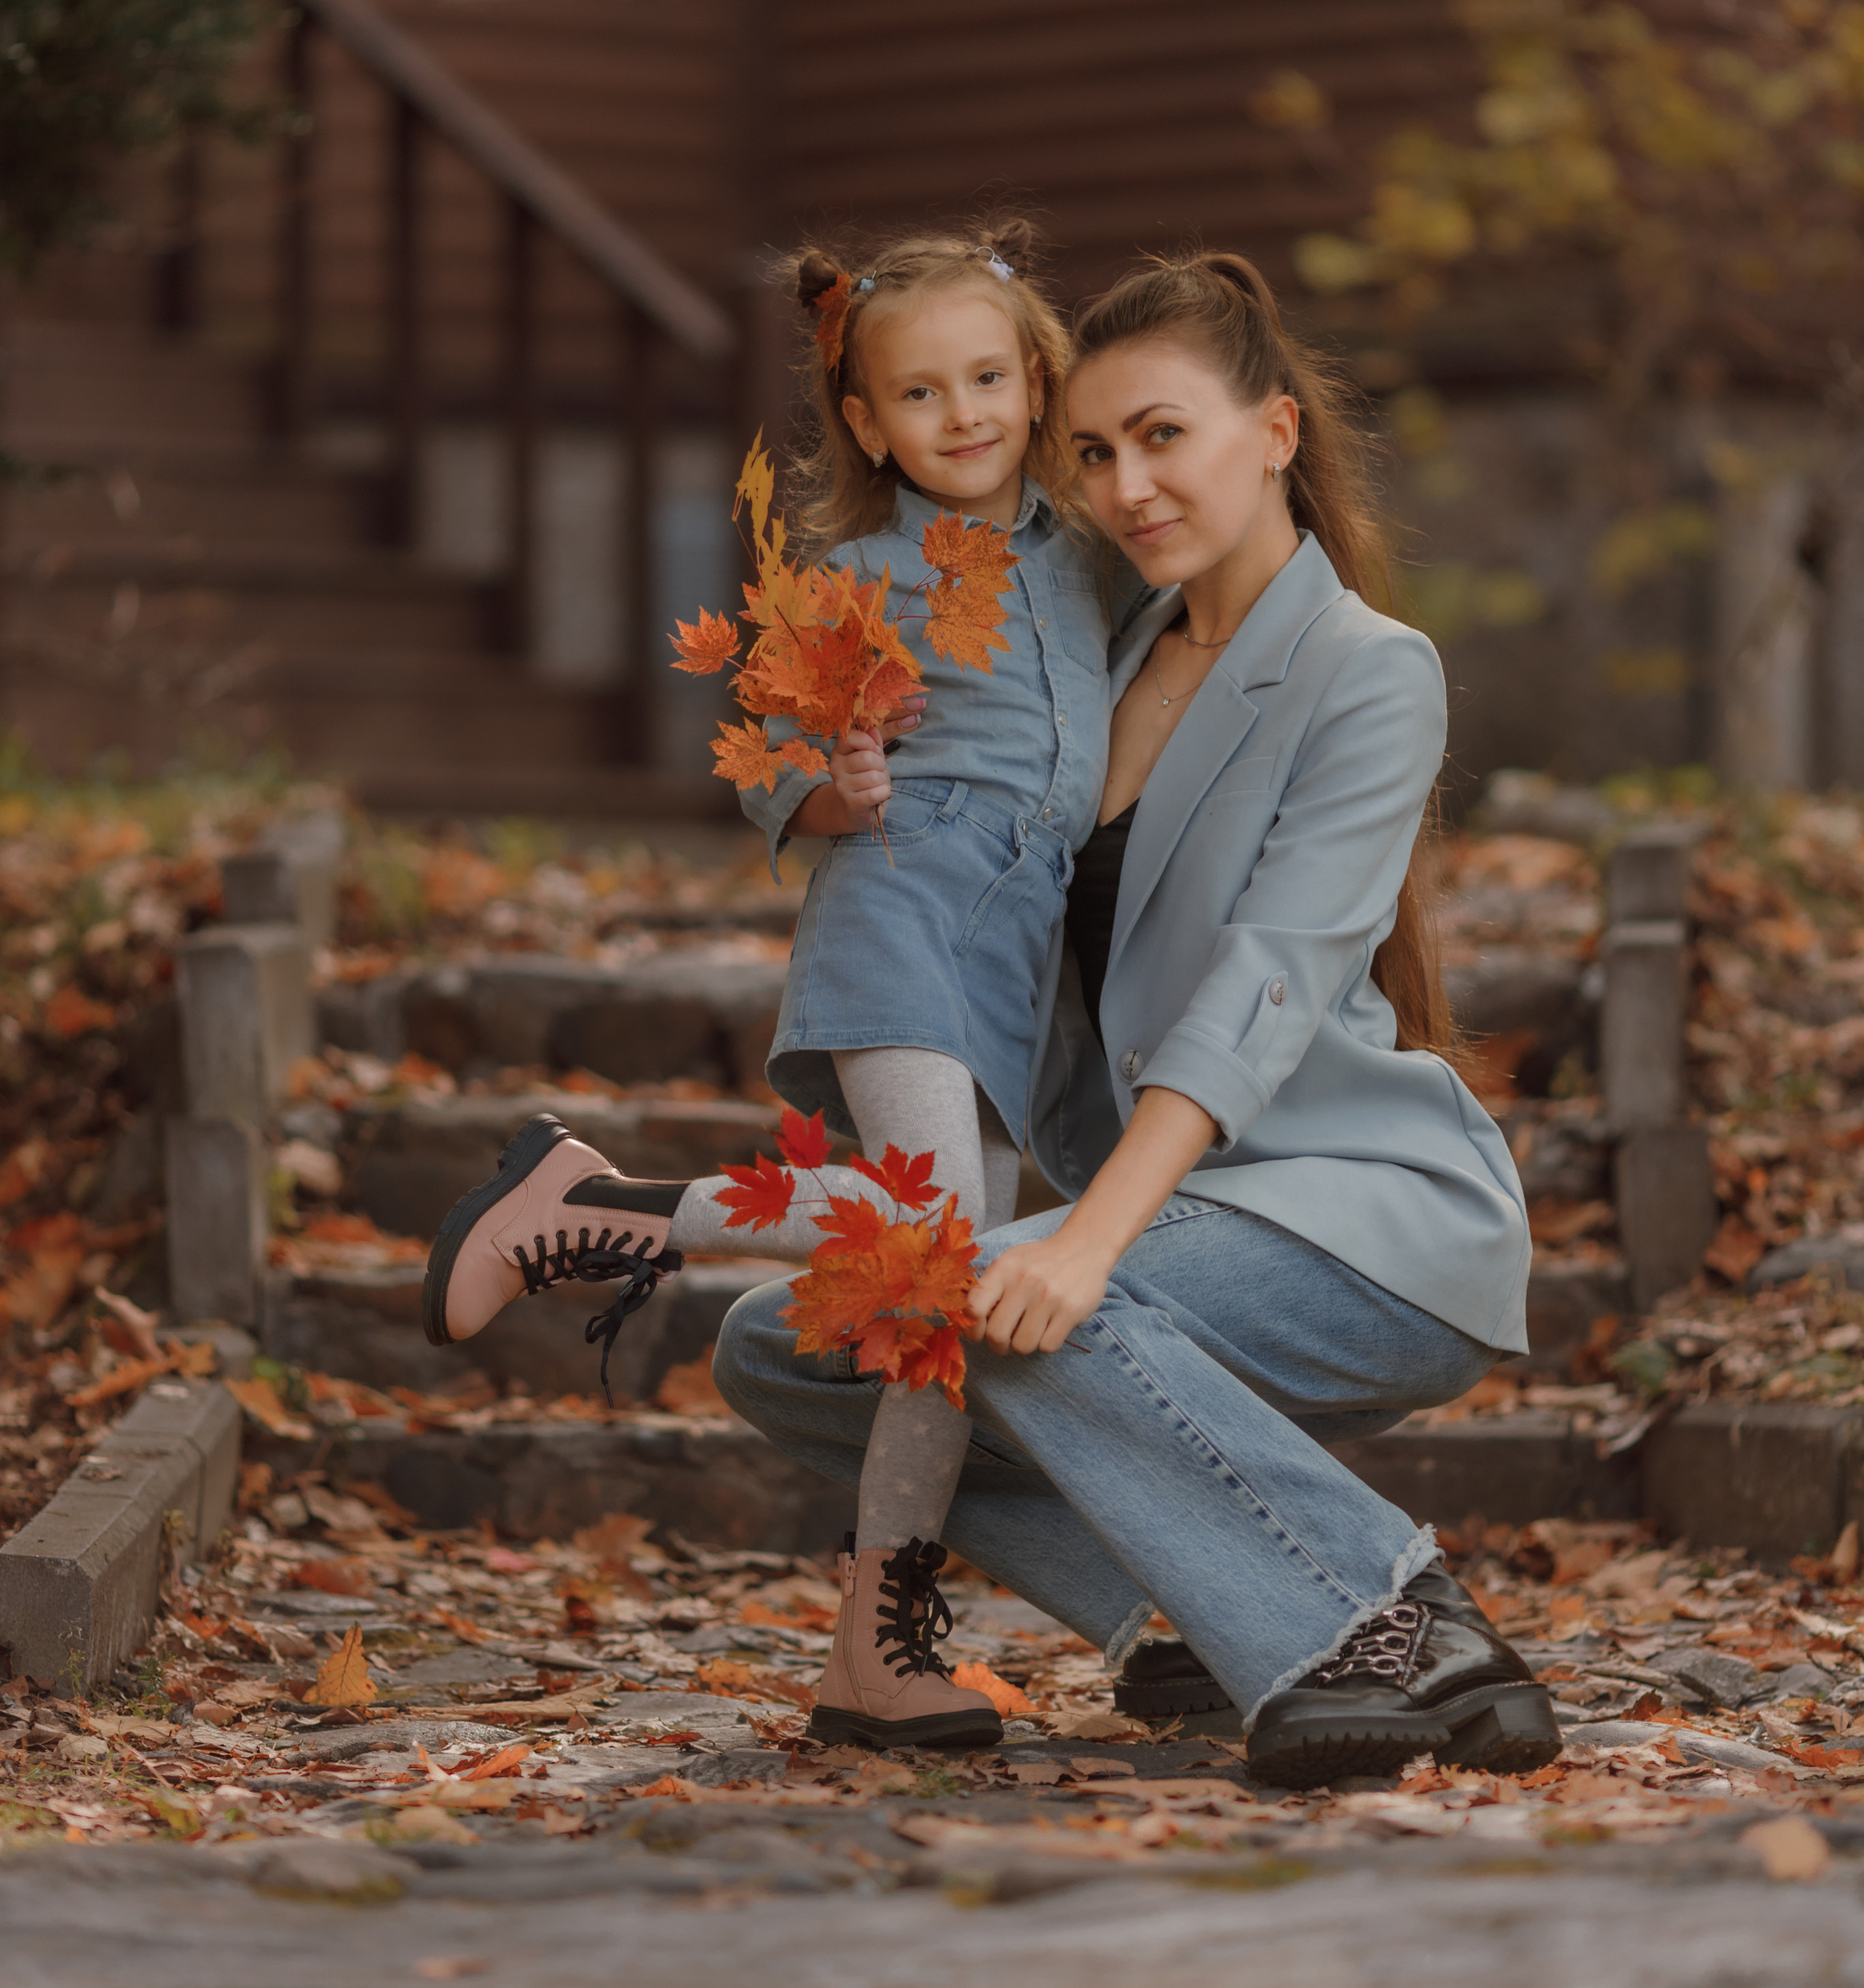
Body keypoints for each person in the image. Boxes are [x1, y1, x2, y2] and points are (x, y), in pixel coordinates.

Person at [711, 250, 1558, 1789]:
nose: (1125, 486)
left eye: (1162, 436)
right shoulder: (1091, 652)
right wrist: (840, 769)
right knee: (782, 1346)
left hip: (1357, 1221)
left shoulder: (1364, 669)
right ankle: (1176, 1610)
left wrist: (1083, 1239)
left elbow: (1270, 981)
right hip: (1171, 1221)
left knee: (985, 1301)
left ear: (1275, 432)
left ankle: (1383, 1613)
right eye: (1090, 452)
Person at [419, 223, 1144, 1757]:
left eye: (988, 379)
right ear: (868, 423)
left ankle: (872, 1653)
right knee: (939, 1252)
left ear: (1035, 381)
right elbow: (775, 786)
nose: (962, 415)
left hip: (1013, 975)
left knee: (932, 1308)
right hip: (897, 919)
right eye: (919, 393)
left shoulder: (1091, 559)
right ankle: (593, 1215)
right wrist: (837, 787)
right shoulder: (856, 577)